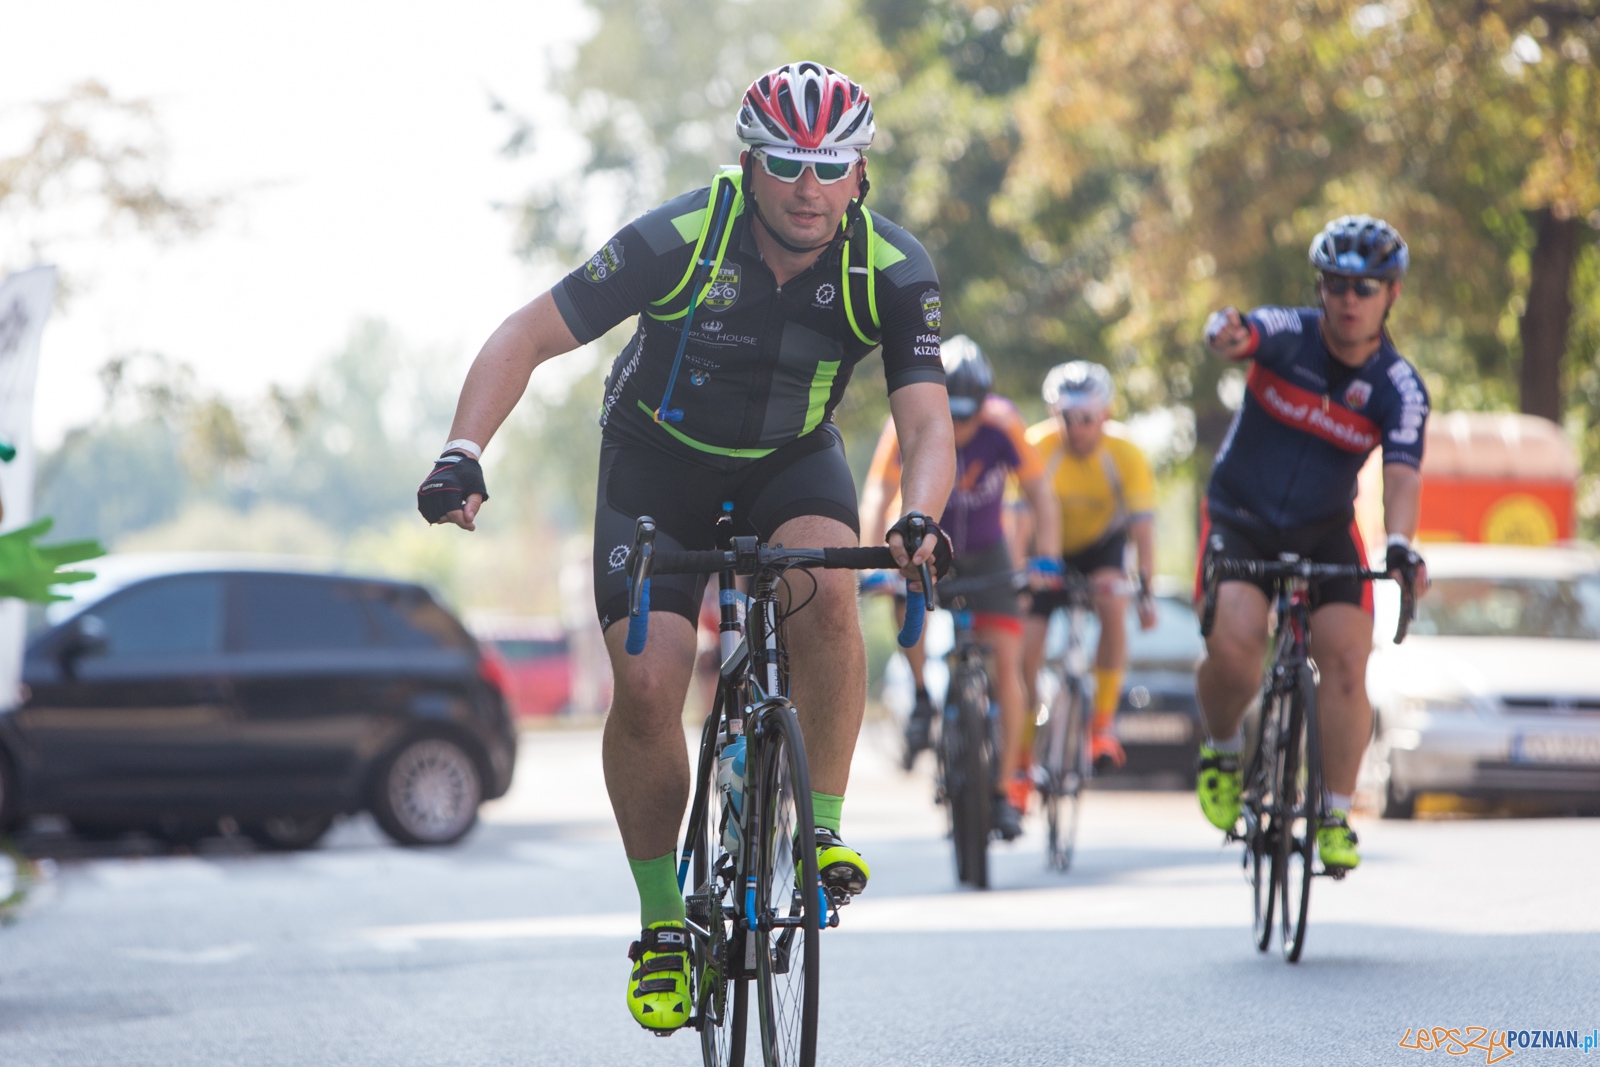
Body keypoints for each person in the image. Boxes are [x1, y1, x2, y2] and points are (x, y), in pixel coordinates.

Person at [416, 61, 955, 1034]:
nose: (807, 185)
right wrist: (463, 451)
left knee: (827, 591)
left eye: (831, 165)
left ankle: (821, 827)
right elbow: (526, 333)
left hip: (790, 460)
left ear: (859, 174)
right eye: (786, 161)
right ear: (749, 164)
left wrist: (917, 516)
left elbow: (925, 424)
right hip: (654, 467)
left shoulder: (891, 266)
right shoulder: (681, 235)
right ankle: (663, 922)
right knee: (653, 683)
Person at [1195, 214, 1429, 872]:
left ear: (1392, 294)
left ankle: (1333, 812)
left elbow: (1403, 473)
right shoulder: (1292, 335)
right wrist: (1227, 331)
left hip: (1325, 525)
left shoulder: (1399, 387)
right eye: (1336, 285)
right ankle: (1219, 749)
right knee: (1237, 648)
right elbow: (1245, 331)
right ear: (1320, 287)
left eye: (1367, 287)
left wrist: (1403, 542)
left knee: (1348, 660)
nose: (1349, 300)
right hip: (1240, 513)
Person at [861, 335, 1060, 840]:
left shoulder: (1005, 423)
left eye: (973, 415)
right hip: (930, 544)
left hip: (988, 549)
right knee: (900, 590)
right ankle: (924, 694)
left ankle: (1005, 787)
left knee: (1007, 667)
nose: (965, 427)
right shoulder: (909, 417)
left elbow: (1039, 493)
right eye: (957, 414)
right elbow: (880, 489)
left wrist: (1046, 559)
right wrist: (871, 563)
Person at [1021, 362, 1158, 771]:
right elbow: (1017, 521)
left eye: (1087, 418)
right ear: (1053, 415)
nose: (1077, 427)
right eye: (1068, 417)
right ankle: (1022, 760)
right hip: (1046, 549)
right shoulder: (1037, 447)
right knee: (1025, 650)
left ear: (1106, 415)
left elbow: (1143, 531)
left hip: (1101, 547)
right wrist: (1019, 575)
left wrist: (1145, 591)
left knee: (1113, 601)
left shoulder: (1126, 453)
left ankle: (1103, 725)